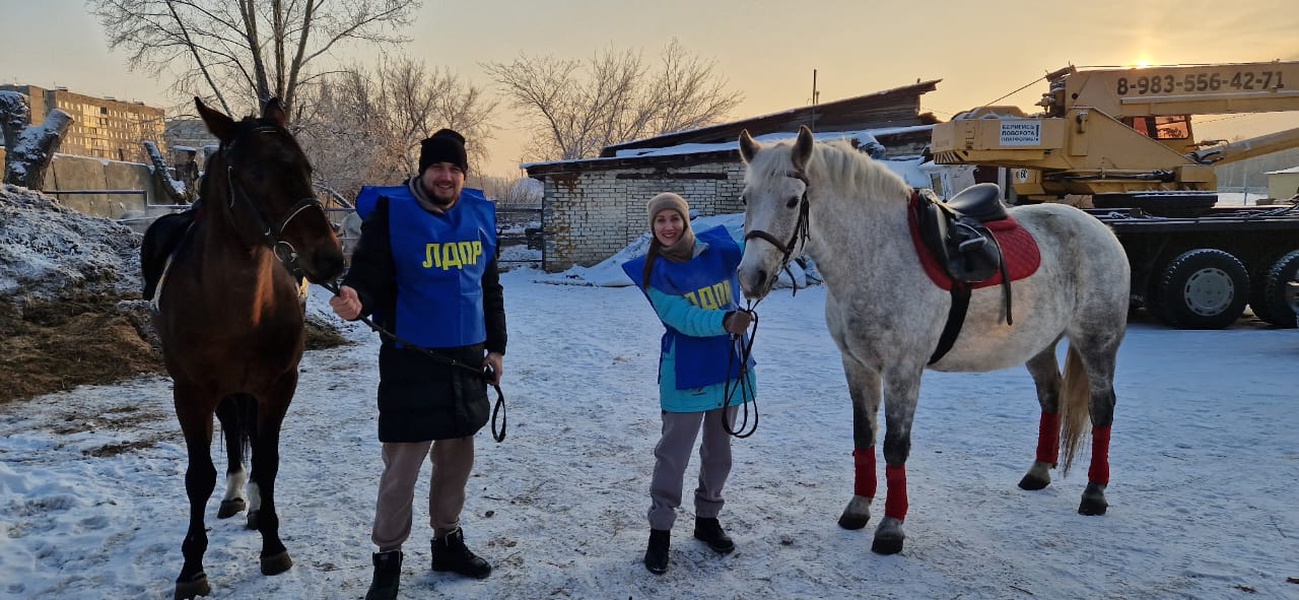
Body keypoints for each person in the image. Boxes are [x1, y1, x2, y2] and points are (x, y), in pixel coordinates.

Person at [329, 128, 506, 600]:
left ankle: (447, 542)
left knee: (456, 463)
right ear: (422, 170)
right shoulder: (392, 216)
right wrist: (355, 301)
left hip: (467, 362)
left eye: (454, 169)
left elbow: (489, 288)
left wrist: (497, 348)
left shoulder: (479, 216)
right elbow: (366, 279)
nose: (445, 176)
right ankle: (387, 559)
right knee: (402, 470)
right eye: (437, 167)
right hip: (412, 362)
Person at [620, 192, 756, 575]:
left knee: (719, 453)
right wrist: (725, 322)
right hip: (686, 375)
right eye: (660, 220)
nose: (668, 227)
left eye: (673, 218)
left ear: (685, 220)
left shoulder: (722, 250)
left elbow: (762, 244)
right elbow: (681, 317)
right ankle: (660, 532)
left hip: (729, 367)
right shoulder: (653, 272)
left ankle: (707, 519)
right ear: (653, 227)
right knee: (672, 458)